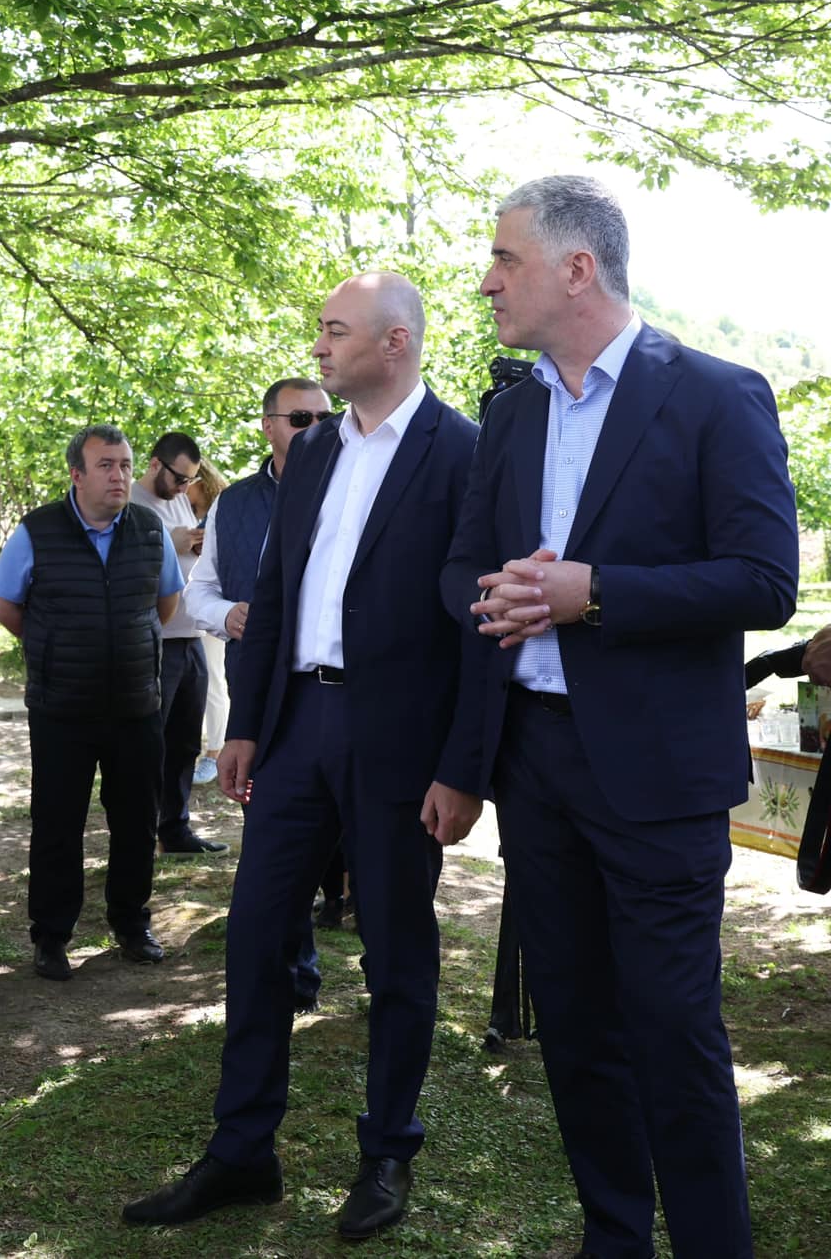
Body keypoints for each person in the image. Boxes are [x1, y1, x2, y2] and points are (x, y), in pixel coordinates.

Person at [436, 175, 798, 1259]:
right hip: (535, 765)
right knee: (573, 1024)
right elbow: (461, 564)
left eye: (504, 259)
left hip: (656, 776)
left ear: (576, 268)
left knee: (672, 1031)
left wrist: (591, 594)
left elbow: (763, 581)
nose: (487, 281)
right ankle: (613, 1236)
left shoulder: (715, 394)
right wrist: (494, 595)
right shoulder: (511, 411)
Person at [123, 272, 477, 1240]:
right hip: (294, 728)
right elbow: (275, 589)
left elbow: (479, 626)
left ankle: (387, 1153)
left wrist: (462, 766)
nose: (317, 347)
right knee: (255, 938)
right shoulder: (313, 450)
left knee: (395, 953)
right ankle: (242, 1152)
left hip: (399, 742)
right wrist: (245, 724)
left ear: (394, 342)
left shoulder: (464, 453)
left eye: (333, 330)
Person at [0, 425, 183, 981]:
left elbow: (165, 603)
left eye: (125, 465)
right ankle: (51, 936)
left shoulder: (150, 529)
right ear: (76, 474)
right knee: (58, 823)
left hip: (136, 705)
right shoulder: (38, 531)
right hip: (62, 708)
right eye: (106, 465)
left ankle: (131, 923)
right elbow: (4, 605)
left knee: (136, 821)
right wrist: (54, 646)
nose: (119, 475)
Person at [185, 377, 334, 1002]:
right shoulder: (236, 504)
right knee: (277, 847)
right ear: (269, 426)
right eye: (301, 419)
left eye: (326, 418)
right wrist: (230, 615)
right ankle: (292, 974)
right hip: (265, 701)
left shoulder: (353, 487)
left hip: (343, 696)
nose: (316, 429)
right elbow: (199, 592)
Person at [133, 431, 227, 856]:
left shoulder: (179, 499)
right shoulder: (131, 501)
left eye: (190, 480)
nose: (184, 488)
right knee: (150, 742)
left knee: (186, 742)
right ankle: (139, 831)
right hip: (157, 641)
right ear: (155, 464)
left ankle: (175, 829)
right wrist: (176, 541)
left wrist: (200, 545)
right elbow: (131, 556)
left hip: (192, 636)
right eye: (179, 478)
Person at [186, 462, 230, 789]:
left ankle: (215, 752)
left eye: (187, 480)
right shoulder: (187, 512)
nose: (181, 487)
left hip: (216, 608)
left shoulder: (225, 510)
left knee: (214, 681)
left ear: (201, 482)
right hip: (192, 610)